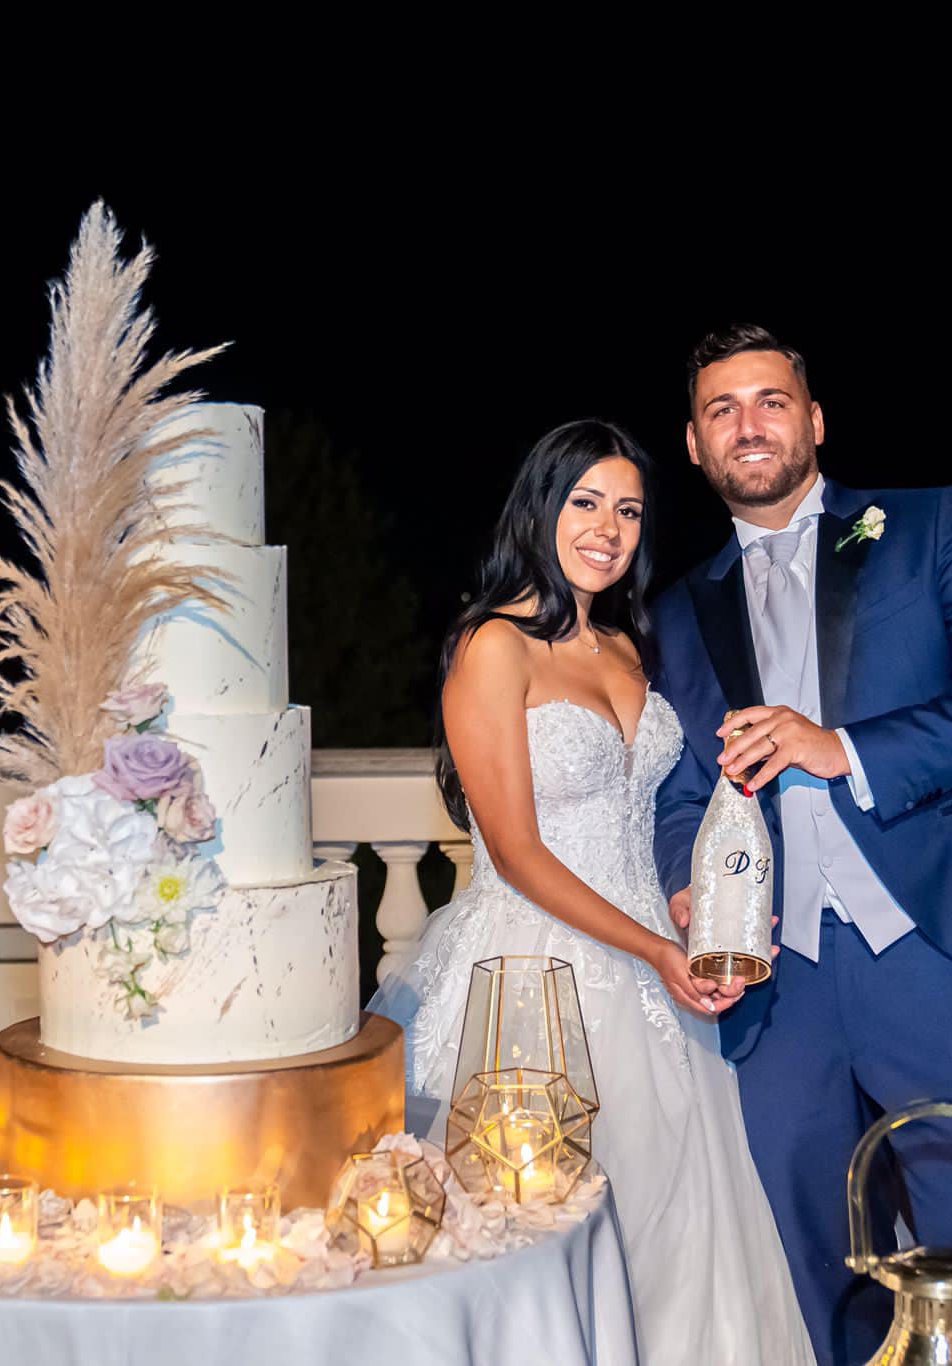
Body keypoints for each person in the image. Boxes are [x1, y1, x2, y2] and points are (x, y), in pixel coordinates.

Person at [650, 325, 952, 1365]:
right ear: (697, 447)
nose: (747, 424)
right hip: (773, 986)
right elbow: (674, 786)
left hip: (939, 952)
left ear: (813, 420)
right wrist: (679, 887)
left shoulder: (928, 527)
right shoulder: (672, 608)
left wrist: (839, 746)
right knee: (812, 1264)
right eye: (721, 410)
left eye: (769, 400)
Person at [372, 418, 815, 1366]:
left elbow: (653, 814)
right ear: (541, 508)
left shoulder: (627, 648)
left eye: (628, 510)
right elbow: (519, 852)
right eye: (586, 503)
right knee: (536, 1218)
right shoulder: (493, 648)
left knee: (679, 1214)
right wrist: (654, 948)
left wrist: (691, 909)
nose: (609, 528)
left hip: (657, 957)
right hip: (533, 964)